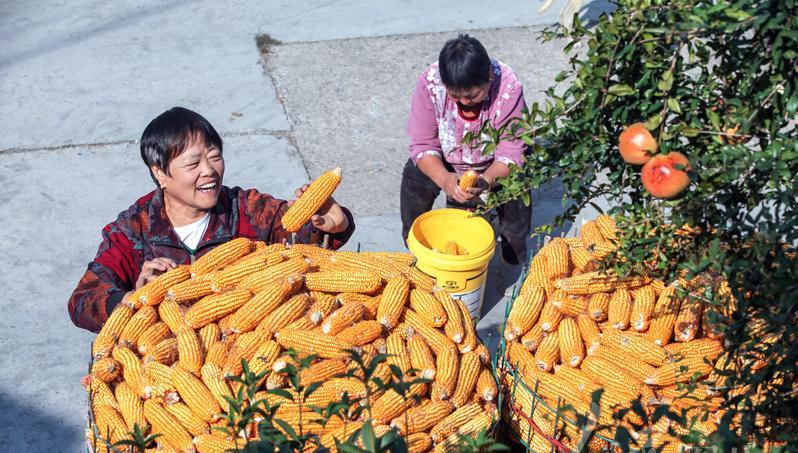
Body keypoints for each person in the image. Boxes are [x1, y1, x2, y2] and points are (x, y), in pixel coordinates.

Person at [68, 107, 354, 333]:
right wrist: (134, 298)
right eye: (193, 164)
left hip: (241, 351)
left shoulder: (247, 210)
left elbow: (297, 237)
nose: (209, 171)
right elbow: (82, 301)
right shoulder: (134, 229)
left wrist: (334, 226)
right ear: (160, 174)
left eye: (215, 157)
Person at [402, 34, 531, 264]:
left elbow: (512, 151)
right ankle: (415, 248)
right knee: (414, 175)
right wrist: (445, 179)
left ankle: (514, 258)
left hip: (495, 164)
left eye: (472, 95)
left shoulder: (508, 86)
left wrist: (486, 180)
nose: (464, 102)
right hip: (447, 158)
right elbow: (422, 144)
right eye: (455, 96)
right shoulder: (431, 83)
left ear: (489, 78)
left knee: (516, 204)